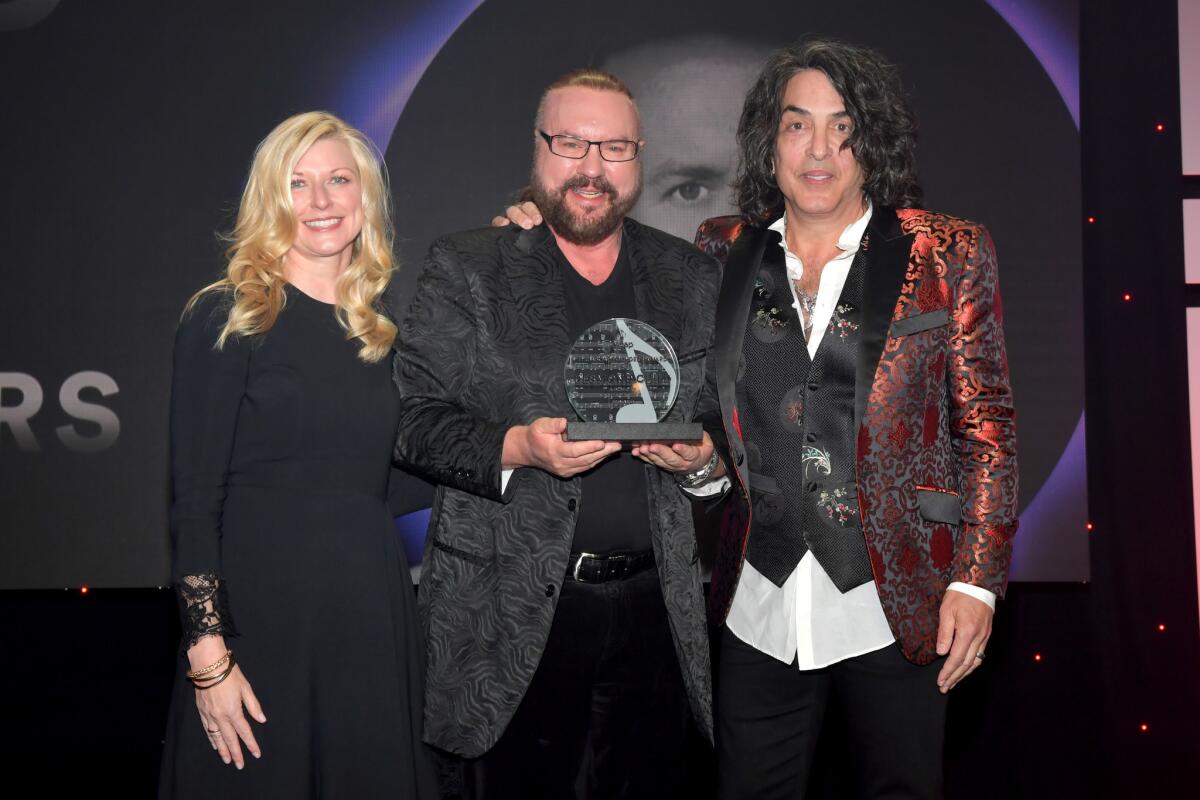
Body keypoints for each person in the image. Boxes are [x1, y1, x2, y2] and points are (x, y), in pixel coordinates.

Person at [501, 37, 1018, 799]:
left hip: (902, 597)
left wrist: (976, 585)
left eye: (843, 128)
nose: (819, 151)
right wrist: (538, 231)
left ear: (870, 143)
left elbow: (990, 430)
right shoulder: (721, 250)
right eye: (797, 125)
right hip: (759, 602)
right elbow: (623, 282)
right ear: (767, 142)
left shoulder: (944, 251)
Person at [392, 69, 719, 798]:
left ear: (640, 158)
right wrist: (520, 447)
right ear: (538, 150)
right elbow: (414, 422)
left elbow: (726, 429)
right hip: (504, 615)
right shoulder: (469, 265)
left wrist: (703, 461)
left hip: (656, 617)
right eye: (572, 143)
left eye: (615, 146)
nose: (593, 167)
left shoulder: (691, 277)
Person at [159, 111, 436, 798]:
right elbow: (194, 502)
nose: (320, 202)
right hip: (261, 625)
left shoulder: (384, 338)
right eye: (298, 183)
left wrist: (509, 458)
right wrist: (208, 656)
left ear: (365, 196)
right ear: (270, 200)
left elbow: (391, 484)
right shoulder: (227, 316)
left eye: (338, 179)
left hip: (369, 619)